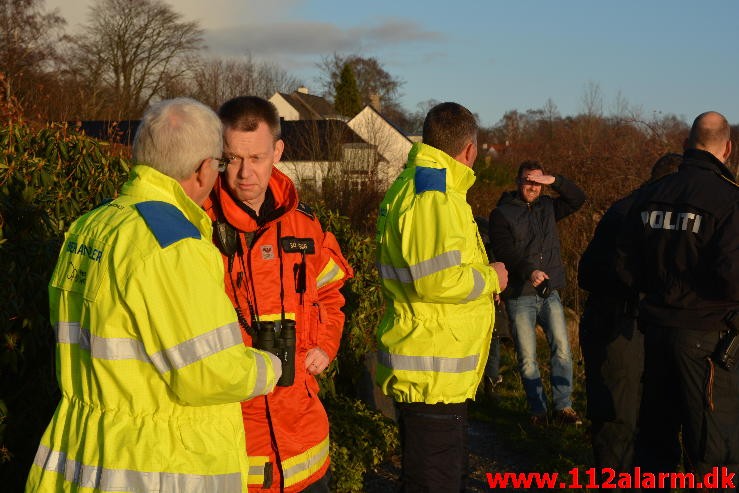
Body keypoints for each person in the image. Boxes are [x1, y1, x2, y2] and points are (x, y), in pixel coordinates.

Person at [25, 98, 282, 493]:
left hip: (86, 448)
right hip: (155, 466)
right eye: (218, 164)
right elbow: (210, 374)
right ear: (200, 170)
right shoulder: (174, 245)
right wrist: (270, 367)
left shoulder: (92, 225)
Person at [204, 96, 353, 493]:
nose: (244, 172)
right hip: (236, 434)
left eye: (256, 158)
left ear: (278, 152)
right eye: (232, 158)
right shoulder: (198, 229)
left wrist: (324, 343)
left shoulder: (307, 227)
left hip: (303, 433)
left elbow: (332, 294)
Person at [375, 102, 508, 493]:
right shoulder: (433, 193)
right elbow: (435, 280)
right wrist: (491, 279)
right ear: (469, 148)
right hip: (430, 375)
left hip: (433, 372)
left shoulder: (429, 186)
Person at [618, 112, 739, 491]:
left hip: (653, 333)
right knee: (713, 450)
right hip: (708, 341)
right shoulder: (729, 200)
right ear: (728, 148)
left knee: (655, 444)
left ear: (687, 144)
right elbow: (732, 277)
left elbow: (623, 265)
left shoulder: (652, 194)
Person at [578, 153, 681, 481]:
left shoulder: (634, 210)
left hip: (627, 325)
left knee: (635, 420)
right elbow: (591, 272)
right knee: (618, 420)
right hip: (618, 324)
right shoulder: (633, 214)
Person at [489, 161, 585, 426]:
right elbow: (505, 250)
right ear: (518, 182)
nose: (532, 186)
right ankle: (538, 411)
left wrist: (555, 180)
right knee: (528, 357)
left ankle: (563, 408)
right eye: (527, 181)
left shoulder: (548, 207)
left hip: (549, 292)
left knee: (562, 349)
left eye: (537, 182)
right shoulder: (502, 213)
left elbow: (578, 198)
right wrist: (530, 270)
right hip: (520, 294)